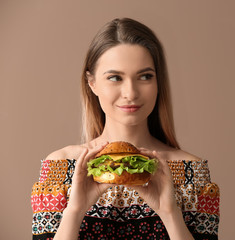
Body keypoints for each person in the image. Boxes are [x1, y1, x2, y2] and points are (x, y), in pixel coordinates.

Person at [31, 18, 220, 239]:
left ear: (158, 82)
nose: (130, 92)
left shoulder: (192, 171)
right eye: (115, 77)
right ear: (92, 83)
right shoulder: (59, 168)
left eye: (145, 76)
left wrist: (170, 213)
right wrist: (75, 210)